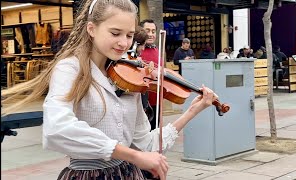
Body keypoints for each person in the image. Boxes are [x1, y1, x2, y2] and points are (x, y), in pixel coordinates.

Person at [2, 1, 218, 179]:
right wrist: (131, 155)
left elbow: (146, 145)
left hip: (129, 174)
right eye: (115, 33)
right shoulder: (70, 68)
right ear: (91, 29)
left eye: (129, 35)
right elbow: (57, 129)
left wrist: (192, 112)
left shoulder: (129, 77)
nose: (124, 43)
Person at [139, 19, 161, 131]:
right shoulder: (137, 50)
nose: (151, 34)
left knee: (155, 133)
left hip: (156, 100)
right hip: (142, 102)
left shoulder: (158, 50)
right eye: (147, 31)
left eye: (153, 31)